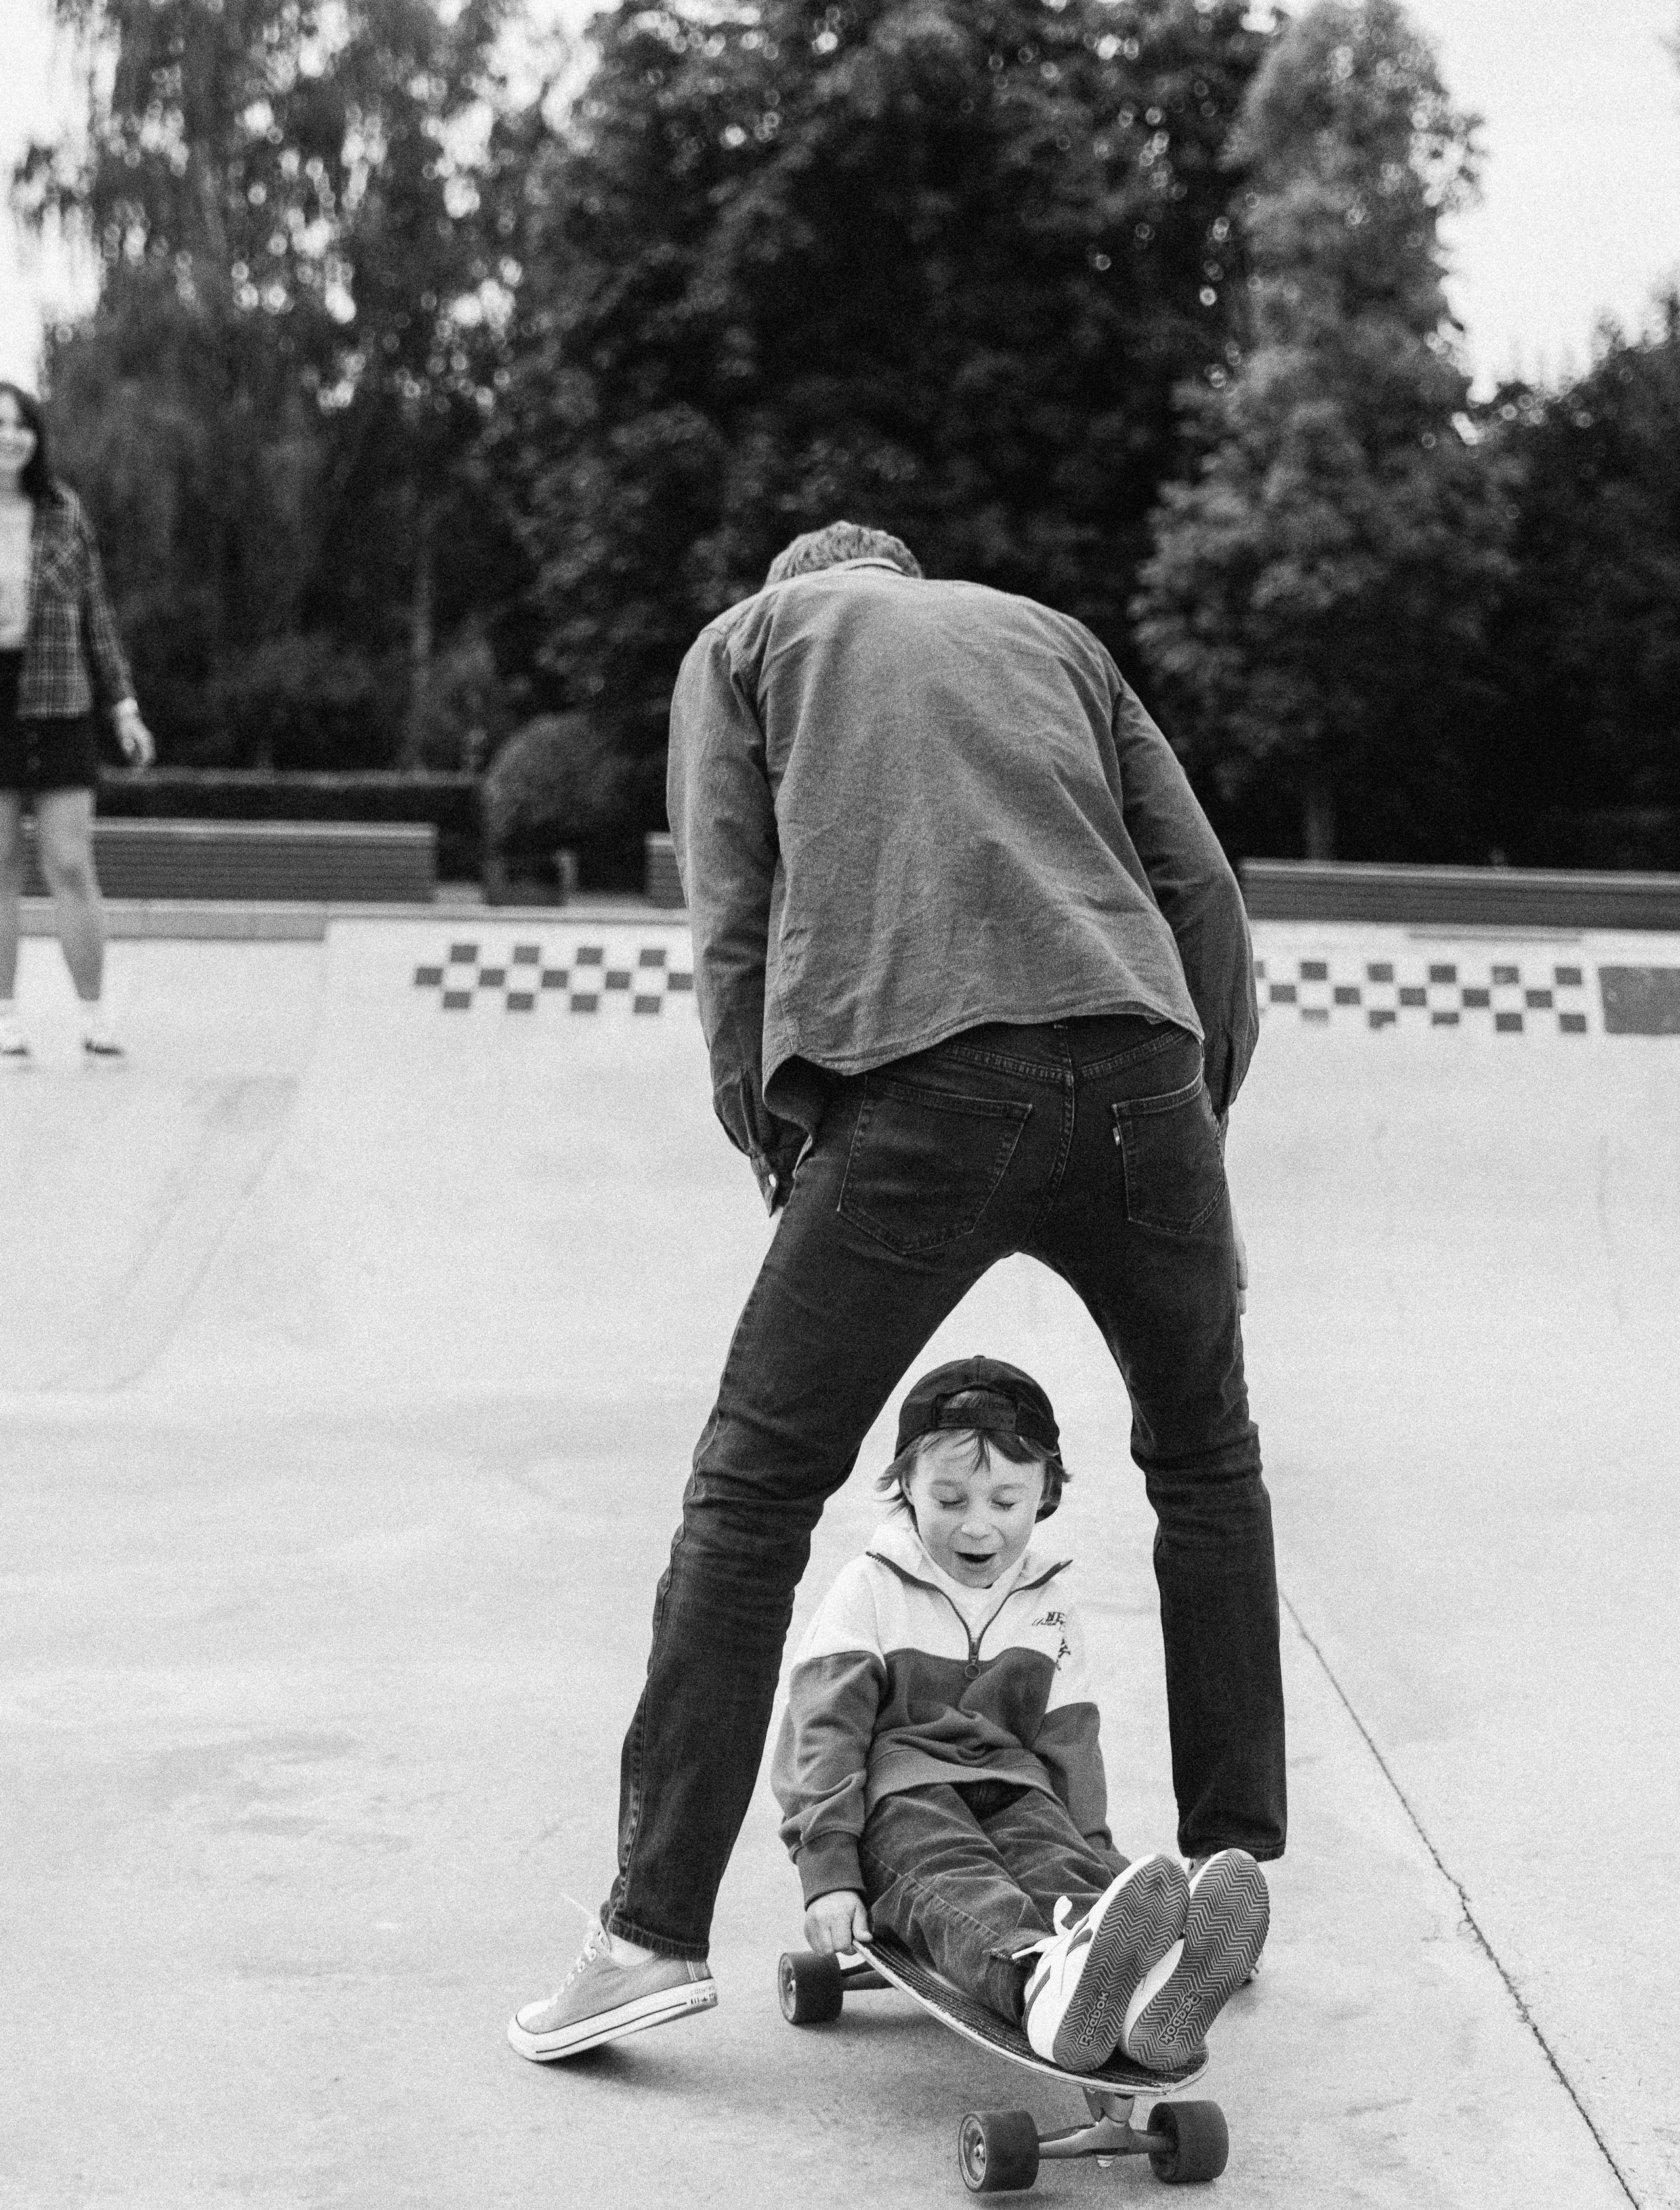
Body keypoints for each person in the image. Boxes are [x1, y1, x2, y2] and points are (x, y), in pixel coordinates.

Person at [509, 520, 1284, 2066]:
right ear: (911, 582)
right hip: (1142, 1068)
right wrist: (1193, 1116)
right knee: (1204, 1459)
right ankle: (1225, 1864)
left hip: (921, 1085)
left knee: (747, 1497)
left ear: (806, 584)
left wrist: (771, 1142)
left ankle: (645, 1932)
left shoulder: (750, 641)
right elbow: (1203, 894)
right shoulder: (1053, 635)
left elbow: (732, 915)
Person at [772, 1360, 1269, 2076]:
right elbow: (822, 1732)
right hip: (901, 1797)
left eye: (1005, 1502)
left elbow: (1069, 1741)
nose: (978, 1527)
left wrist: (1096, 1853)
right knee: (953, 1875)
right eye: (949, 1499)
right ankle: (1036, 1978)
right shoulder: (870, 1587)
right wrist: (828, 1867)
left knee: (1054, 1860)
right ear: (906, 1486)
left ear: (1045, 1496)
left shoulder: (1049, 1601)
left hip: (1016, 1786)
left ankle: (1145, 1981)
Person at [0, 381, 154, 1064]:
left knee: (69, 862)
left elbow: (97, 616)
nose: (8, 436)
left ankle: (94, 1017)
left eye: (20, 425)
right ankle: (3, 1019)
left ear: (35, 437)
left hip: (59, 697)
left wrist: (123, 704)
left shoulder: (64, 512)